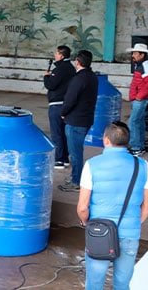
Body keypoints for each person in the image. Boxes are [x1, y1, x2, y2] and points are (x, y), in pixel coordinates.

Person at [76, 122, 148, 289]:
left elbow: (82, 207)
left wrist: (85, 222)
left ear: (106, 140)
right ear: (127, 141)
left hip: (99, 233)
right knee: (123, 283)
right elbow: (146, 208)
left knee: (95, 283)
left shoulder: (91, 165)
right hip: (130, 233)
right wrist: (131, 224)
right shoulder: (143, 165)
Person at [59, 50, 98, 193]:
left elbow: (70, 100)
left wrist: (63, 113)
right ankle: (76, 176)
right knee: (77, 151)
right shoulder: (92, 77)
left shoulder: (79, 79)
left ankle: (76, 181)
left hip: (76, 120)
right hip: (86, 118)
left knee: (75, 153)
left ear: (78, 62)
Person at [44, 45, 75, 169]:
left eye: (56, 54)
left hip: (57, 104)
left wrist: (46, 77)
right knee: (64, 132)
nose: (55, 56)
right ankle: (65, 157)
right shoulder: (71, 69)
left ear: (61, 55)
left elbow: (51, 85)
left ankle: (59, 159)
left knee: (57, 133)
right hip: (67, 104)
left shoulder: (59, 69)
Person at [126, 43, 148, 156]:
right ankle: (140, 146)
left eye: (135, 53)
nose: (133, 55)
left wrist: (139, 96)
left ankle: (136, 147)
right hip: (139, 99)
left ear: (142, 55)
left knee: (133, 122)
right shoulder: (141, 65)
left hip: (140, 100)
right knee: (139, 122)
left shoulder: (145, 65)